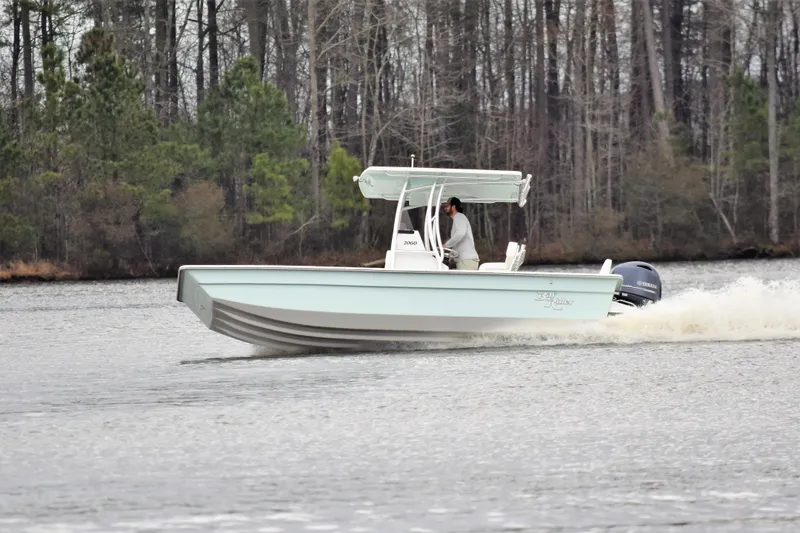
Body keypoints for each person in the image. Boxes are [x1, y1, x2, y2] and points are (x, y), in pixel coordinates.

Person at [442, 197, 479, 270]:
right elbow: (457, 243)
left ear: (453, 207)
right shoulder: (458, 219)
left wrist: (445, 245)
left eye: (447, 206)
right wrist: (449, 256)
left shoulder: (459, 217)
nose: (445, 208)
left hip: (466, 260)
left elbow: (460, 234)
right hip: (464, 260)